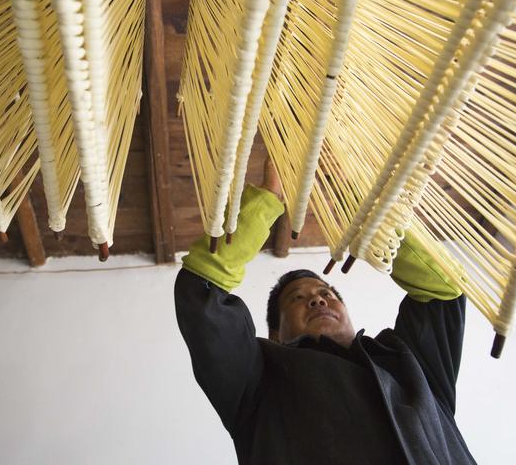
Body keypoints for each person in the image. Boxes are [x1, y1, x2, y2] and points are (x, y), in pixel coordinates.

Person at [174, 159, 476, 464]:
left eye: (326, 294)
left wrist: (364, 209)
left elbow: (443, 293)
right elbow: (201, 293)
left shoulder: (409, 364)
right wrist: (269, 198)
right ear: (276, 334)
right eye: (296, 298)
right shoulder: (256, 385)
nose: (318, 301)